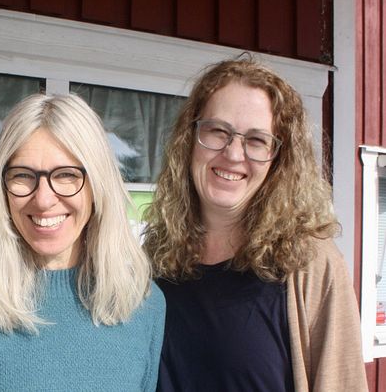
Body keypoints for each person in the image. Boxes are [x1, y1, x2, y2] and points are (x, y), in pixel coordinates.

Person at [142, 57, 368, 391]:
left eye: (256, 140)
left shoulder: (309, 264)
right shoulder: (156, 258)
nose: (233, 154)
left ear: (279, 160)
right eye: (218, 131)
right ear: (190, 139)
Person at [0, 93, 165, 391]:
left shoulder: (143, 304)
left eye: (66, 175)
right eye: (23, 175)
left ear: (98, 185)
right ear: (2, 190)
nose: (43, 199)